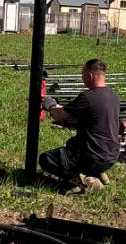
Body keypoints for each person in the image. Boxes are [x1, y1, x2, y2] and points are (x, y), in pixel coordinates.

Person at [39, 58, 120, 193]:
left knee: (46, 159)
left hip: (94, 157)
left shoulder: (88, 97)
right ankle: (97, 172)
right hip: (111, 155)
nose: (82, 78)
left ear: (90, 75)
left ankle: (83, 181)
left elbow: (60, 115)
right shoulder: (113, 96)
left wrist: (50, 104)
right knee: (72, 143)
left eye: (83, 75)